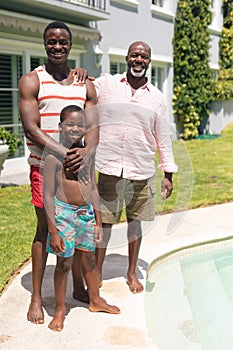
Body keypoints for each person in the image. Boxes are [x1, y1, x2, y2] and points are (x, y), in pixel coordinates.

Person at [18, 21, 97, 324]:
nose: (57, 46)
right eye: (52, 42)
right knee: (44, 229)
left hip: (79, 171)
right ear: (45, 44)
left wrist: (86, 152)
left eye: (63, 42)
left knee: (78, 227)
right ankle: (37, 297)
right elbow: (31, 128)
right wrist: (64, 153)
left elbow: (94, 126)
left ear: (70, 44)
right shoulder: (31, 80)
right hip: (44, 167)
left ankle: (77, 286)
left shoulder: (83, 83)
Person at [94, 41, 178, 294]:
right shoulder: (107, 85)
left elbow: (162, 137)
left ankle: (131, 273)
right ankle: (96, 272)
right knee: (105, 223)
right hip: (109, 167)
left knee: (134, 223)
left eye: (143, 56)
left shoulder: (156, 98)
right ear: (127, 58)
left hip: (140, 169)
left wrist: (168, 173)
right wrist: (80, 74)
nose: (138, 59)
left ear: (149, 61)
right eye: (134, 55)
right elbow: (83, 88)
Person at [44, 105, 120, 331]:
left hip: (85, 215)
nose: (76, 129)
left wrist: (97, 220)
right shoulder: (53, 158)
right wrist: (53, 231)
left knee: (89, 261)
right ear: (60, 127)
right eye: (70, 124)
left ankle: (95, 300)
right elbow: (48, 195)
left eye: (80, 125)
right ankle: (60, 310)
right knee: (64, 264)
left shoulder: (88, 156)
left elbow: (94, 189)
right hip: (64, 216)